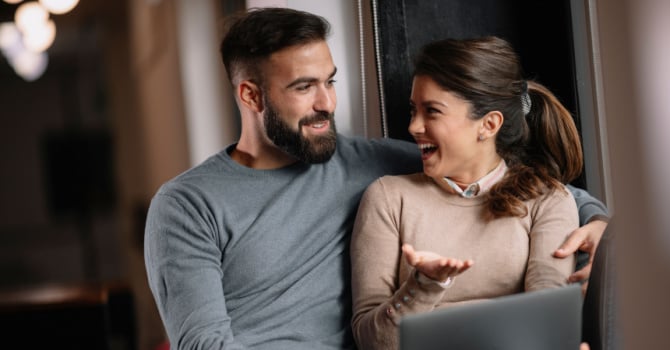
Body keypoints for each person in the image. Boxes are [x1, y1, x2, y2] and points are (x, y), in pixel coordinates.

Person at [144, 8, 608, 350]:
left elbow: (506, 178)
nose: (327, 103)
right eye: (305, 88)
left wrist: (598, 219)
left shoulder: (372, 163)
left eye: (331, 81)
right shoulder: (188, 204)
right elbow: (204, 345)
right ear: (250, 94)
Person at [350, 36, 597, 350]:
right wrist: (424, 285)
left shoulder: (547, 201)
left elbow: (547, 318)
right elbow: (372, 341)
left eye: (432, 112)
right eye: (414, 110)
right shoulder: (387, 198)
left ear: (489, 124)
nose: (413, 127)